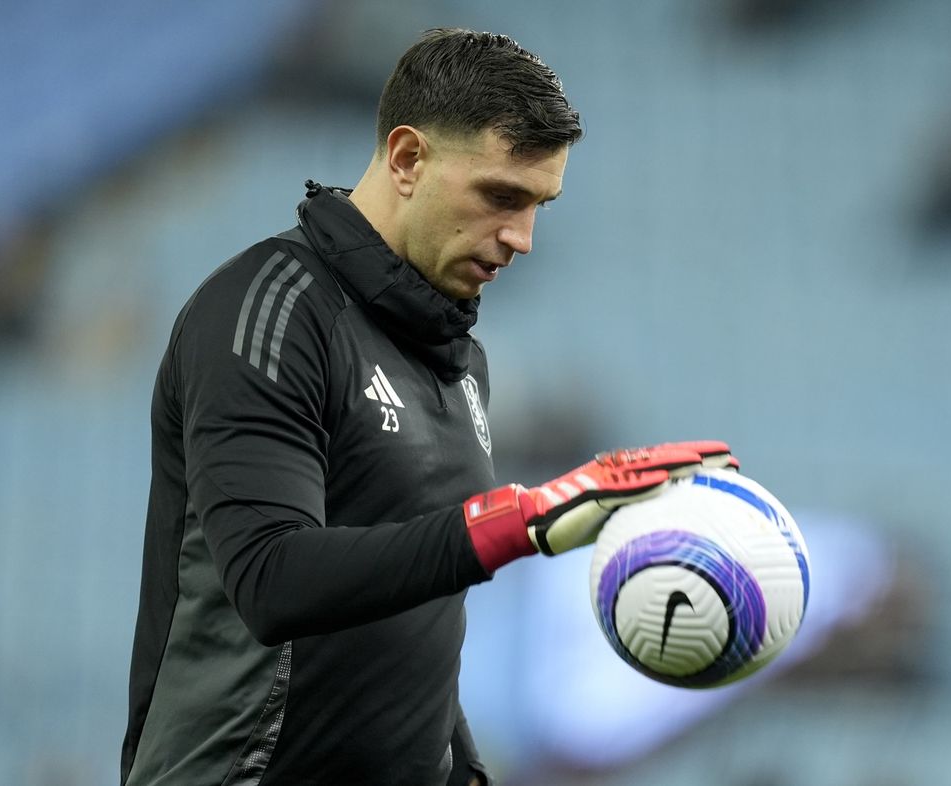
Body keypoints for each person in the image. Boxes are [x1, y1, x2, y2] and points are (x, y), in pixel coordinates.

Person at [121, 28, 736, 786]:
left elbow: (411, 616)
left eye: (539, 204)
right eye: (501, 196)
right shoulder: (271, 308)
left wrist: (464, 766)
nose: (522, 237)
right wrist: (518, 521)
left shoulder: (458, 362)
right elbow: (271, 579)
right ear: (408, 158)